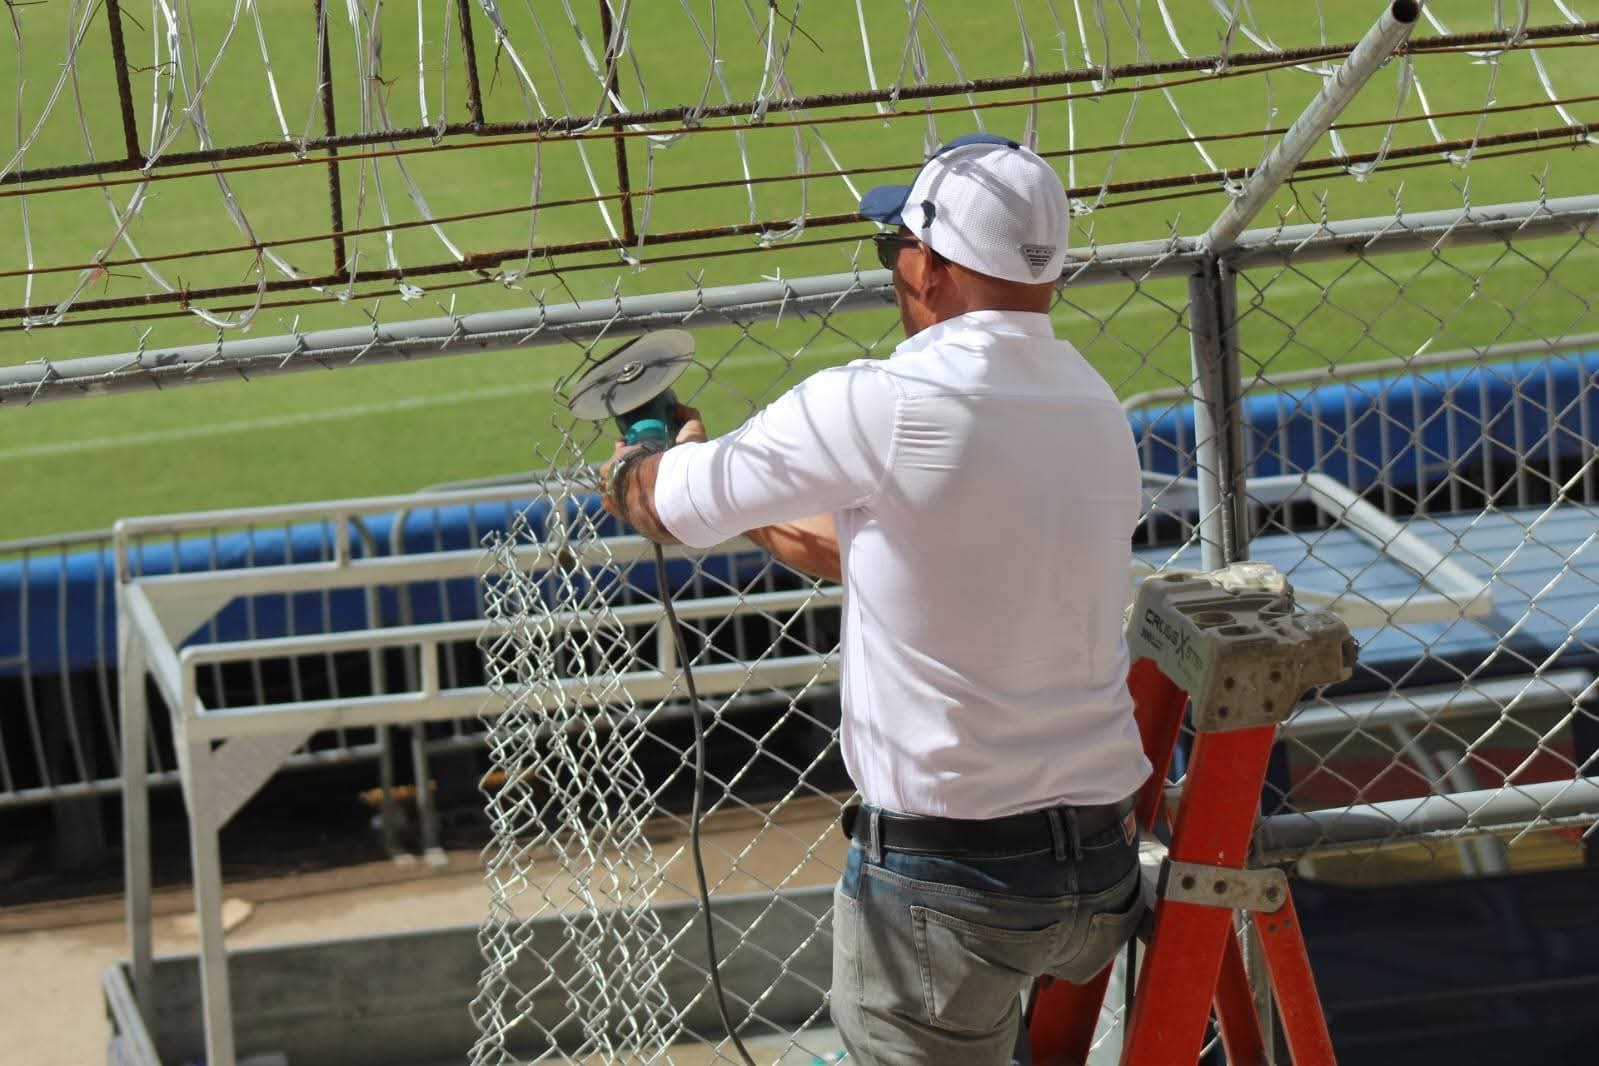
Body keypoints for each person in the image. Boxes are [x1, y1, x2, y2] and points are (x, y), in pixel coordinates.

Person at [599, 133, 1152, 1066]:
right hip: (1097, 875)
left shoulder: (880, 399)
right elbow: (889, 548)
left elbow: (663, 509)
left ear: (931, 263)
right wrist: (738, 499)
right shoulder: (1096, 408)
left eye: (891, 247)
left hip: (948, 880)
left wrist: (639, 461)